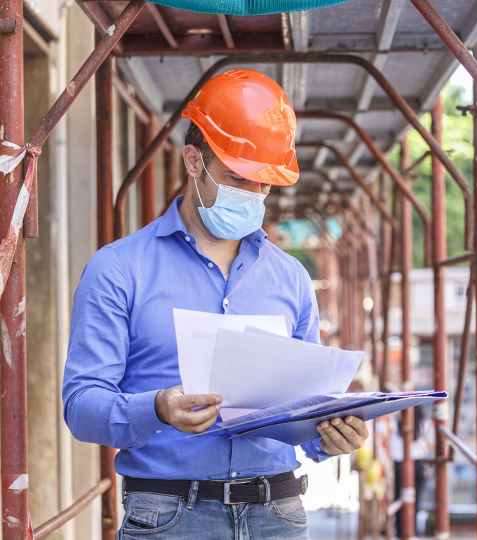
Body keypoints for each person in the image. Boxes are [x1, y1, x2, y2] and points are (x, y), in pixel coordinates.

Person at [62, 69, 369, 540]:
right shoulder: (117, 269)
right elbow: (82, 406)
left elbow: (306, 412)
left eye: (264, 183)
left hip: (278, 514)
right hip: (169, 516)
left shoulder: (291, 278)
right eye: (237, 177)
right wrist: (157, 409)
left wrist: (332, 436)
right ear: (193, 160)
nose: (252, 195)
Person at [390, 406, 432, 539]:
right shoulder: (422, 422)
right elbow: (426, 445)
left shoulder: (396, 420)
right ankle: (412, 531)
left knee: (400, 498)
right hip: (417, 463)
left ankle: (401, 532)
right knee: (415, 500)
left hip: (399, 463)